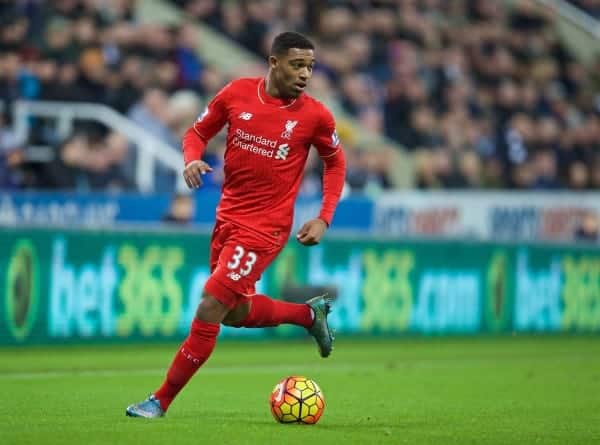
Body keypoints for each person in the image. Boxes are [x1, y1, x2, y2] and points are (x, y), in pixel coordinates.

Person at [126, 31, 347, 418]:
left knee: (211, 304)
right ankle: (309, 316)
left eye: (310, 66)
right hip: (227, 219)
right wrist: (192, 159)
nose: (305, 74)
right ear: (274, 62)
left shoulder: (315, 115)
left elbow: (336, 162)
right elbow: (196, 132)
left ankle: (159, 400)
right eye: (297, 65)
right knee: (234, 311)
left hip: (266, 228)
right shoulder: (237, 94)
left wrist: (324, 216)